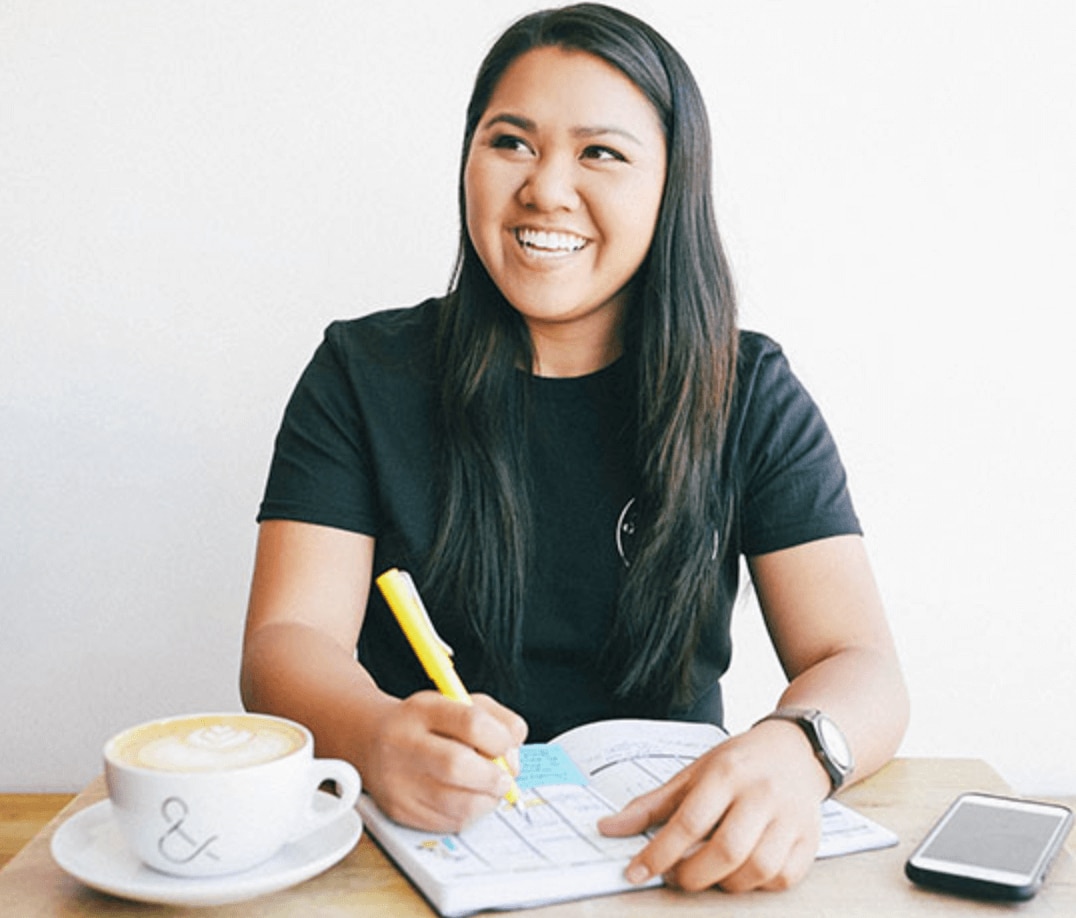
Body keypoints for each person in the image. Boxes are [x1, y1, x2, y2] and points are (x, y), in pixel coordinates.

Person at [240, 2, 908, 894]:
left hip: (672, 861)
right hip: (425, 854)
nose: (547, 189)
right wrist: (371, 733)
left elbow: (860, 663)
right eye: (510, 142)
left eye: (601, 153)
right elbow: (286, 640)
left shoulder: (746, 390)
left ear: (673, 185)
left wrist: (800, 750)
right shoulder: (361, 373)